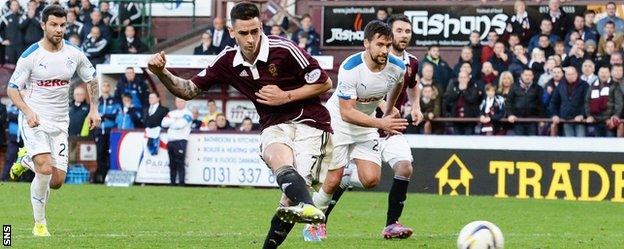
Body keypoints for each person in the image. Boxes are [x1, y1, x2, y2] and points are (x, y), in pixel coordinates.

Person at [147, 3, 332, 248]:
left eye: (255, 31)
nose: (251, 38)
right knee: (279, 160)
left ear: (261, 27)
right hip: (274, 124)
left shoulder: (284, 49)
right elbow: (189, 90)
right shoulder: (227, 60)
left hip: (311, 122)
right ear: (232, 33)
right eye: (244, 33)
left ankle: (303, 206)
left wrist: (285, 96)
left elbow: (324, 83)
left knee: (290, 197)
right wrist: (161, 73)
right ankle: (309, 208)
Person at [305, 15, 420, 241]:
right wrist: (382, 122)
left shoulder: (397, 66)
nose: (384, 50)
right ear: (366, 43)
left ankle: (348, 176)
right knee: (332, 179)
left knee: (371, 180)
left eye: (388, 45)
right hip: (339, 123)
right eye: (379, 44)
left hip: (366, 123)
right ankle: (313, 222)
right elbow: (347, 111)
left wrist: (387, 110)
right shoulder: (350, 68)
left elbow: (397, 86)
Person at [7, 5, 100, 236]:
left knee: (57, 181)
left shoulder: (74, 54)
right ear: (43, 25)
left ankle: (26, 160)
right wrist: (28, 112)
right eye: (54, 25)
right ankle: (40, 224)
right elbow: (12, 89)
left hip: (60, 123)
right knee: (46, 168)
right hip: (34, 120)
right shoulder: (30, 56)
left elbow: (92, 79)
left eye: (62, 25)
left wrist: (94, 109)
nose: (59, 30)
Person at [161, 98, 192, 185]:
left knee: (180, 163)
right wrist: (175, 121)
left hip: (181, 140)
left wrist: (171, 122)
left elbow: (180, 125)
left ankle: (181, 183)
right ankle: (172, 182)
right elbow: (163, 123)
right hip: (171, 140)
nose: (180, 103)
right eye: (178, 101)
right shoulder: (171, 113)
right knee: (172, 163)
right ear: (175, 102)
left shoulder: (188, 113)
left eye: (181, 101)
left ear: (185, 102)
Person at [550, 67, 588, 137]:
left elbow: (587, 102)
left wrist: (582, 115)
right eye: (568, 74)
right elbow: (554, 102)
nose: (571, 76)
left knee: (581, 143)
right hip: (566, 119)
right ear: (565, 75)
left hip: (580, 120)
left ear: (576, 74)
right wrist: (554, 115)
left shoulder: (584, 85)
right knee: (568, 144)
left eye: (573, 74)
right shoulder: (561, 85)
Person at [505, 69, 545, 135]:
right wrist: (510, 114)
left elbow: (541, 104)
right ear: (521, 75)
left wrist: (542, 119)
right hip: (518, 119)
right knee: (519, 142)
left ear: (533, 76)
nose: (527, 77)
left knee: (532, 142)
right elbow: (508, 102)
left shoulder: (538, 88)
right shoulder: (514, 86)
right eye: (526, 75)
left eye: (530, 75)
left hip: (532, 120)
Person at [94, 81, 119, 183]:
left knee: (110, 154)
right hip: (99, 132)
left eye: (107, 85)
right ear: (101, 88)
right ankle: (100, 177)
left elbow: (115, 115)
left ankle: (108, 177)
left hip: (110, 132)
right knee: (100, 155)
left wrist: (103, 116)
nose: (106, 87)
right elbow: (93, 116)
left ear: (110, 88)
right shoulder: (96, 101)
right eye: (104, 85)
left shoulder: (114, 101)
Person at [585, 66, 615, 137]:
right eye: (601, 72)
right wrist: (589, 115)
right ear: (598, 73)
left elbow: (618, 103)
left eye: (606, 72)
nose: (603, 74)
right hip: (595, 120)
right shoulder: (593, 85)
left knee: (609, 144)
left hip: (609, 121)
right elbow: (587, 101)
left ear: (609, 74)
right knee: (595, 145)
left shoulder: (614, 85)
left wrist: (613, 117)